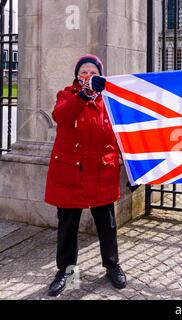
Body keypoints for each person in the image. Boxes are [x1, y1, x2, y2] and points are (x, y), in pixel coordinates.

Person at [45, 54, 128, 297]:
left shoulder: (109, 100)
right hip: (72, 174)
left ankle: (112, 266)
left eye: (93, 72)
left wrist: (133, 168)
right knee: (68, 226)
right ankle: (66, 272)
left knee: (107, 224)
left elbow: (122, 133)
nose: (87, 76)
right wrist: (83, 96)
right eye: (83, 72)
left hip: (102, 172)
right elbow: (61, 116)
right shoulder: (67, 95)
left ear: (100, 75)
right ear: (76, 76)